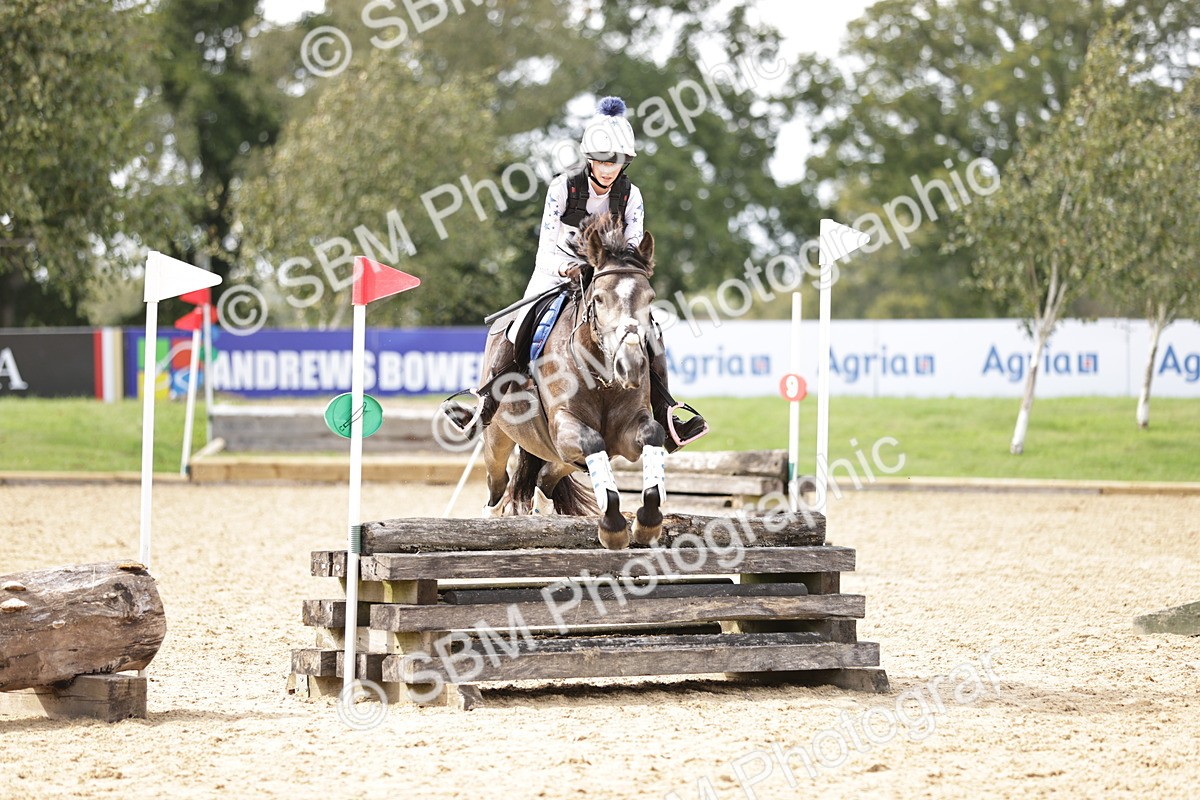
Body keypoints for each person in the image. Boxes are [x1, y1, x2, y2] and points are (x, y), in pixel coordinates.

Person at [444, 96, 706, 450]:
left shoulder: (631, 196)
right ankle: (484, 408)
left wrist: (612, 272)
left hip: (606, 277)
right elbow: (545, 246)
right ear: (590, 159)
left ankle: (665, 413)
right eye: (602, 160)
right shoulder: (563, 188)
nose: (609, 168)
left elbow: (632, 250)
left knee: (651, 331)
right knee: (517, 322)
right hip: (556, 271)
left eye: (617, 161)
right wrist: (568, 267)